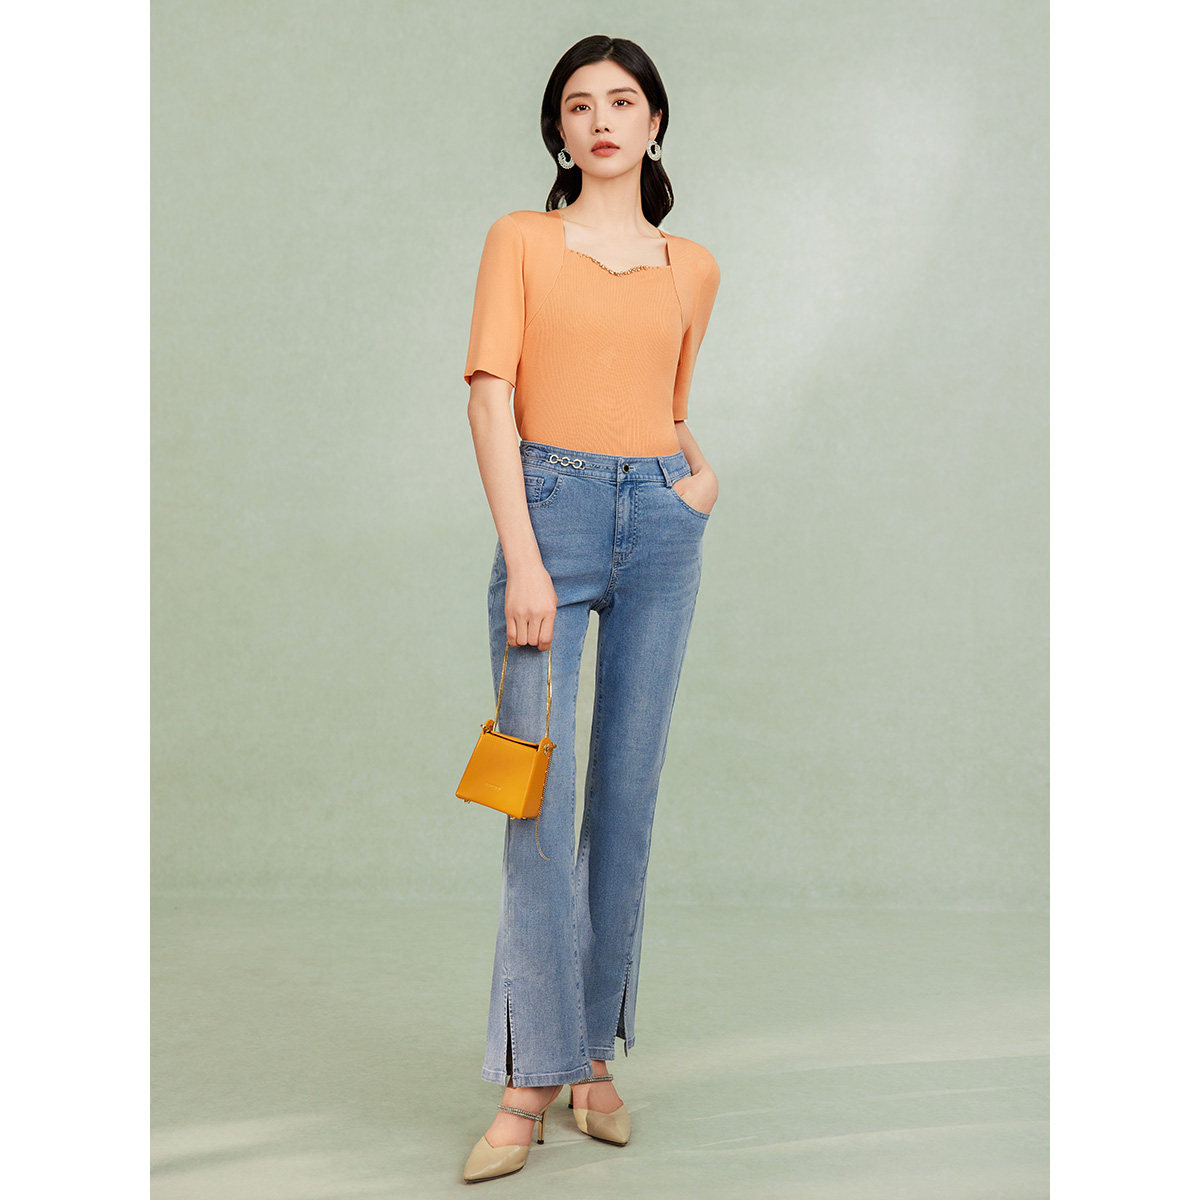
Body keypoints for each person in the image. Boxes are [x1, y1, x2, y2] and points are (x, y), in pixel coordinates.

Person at [460, 34, 722, 1183]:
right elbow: (491, 396)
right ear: (559, 131)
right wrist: (523, 556)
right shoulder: (520, 240)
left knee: (626, 797)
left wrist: (697, 485)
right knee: (535, 797)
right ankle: (529, 1077)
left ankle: (594, 1058)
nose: (602, 119)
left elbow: (671, 400)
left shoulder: (692, 267)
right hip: (549, 514)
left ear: (655, 122)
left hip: (661, 519)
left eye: (622, 101)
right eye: (579, 104)